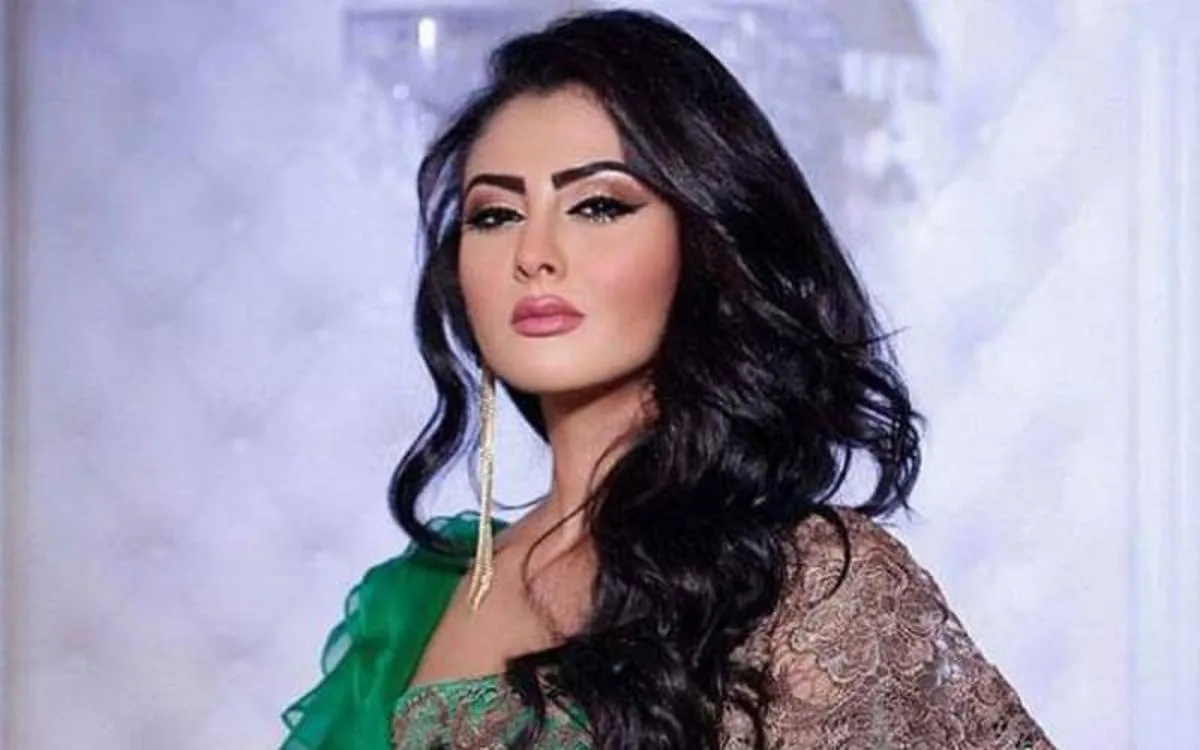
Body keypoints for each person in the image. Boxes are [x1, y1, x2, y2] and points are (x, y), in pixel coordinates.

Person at [281, 8, 1053, 750]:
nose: (533, 254)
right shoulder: (415, 603)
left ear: (706, 243)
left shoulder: (807, 583)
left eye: (597, 206)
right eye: (494, 215)